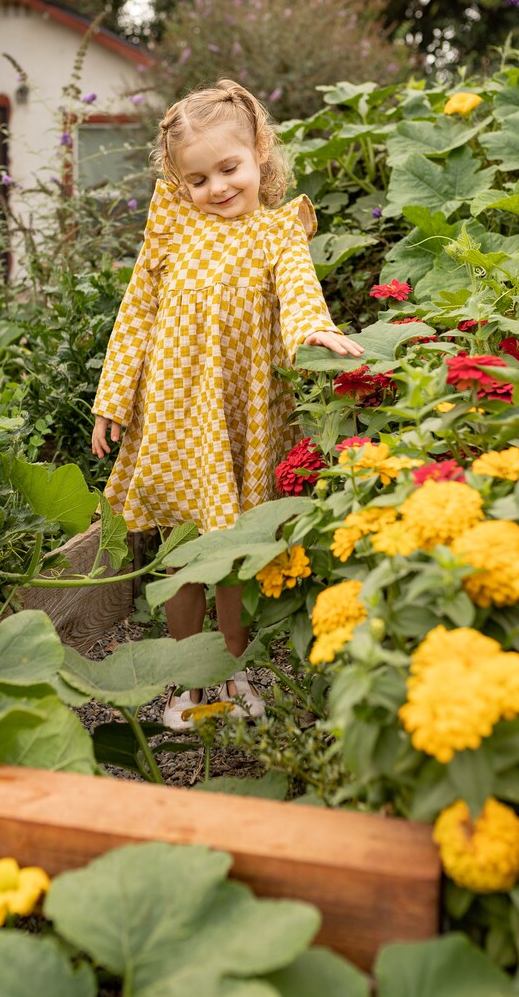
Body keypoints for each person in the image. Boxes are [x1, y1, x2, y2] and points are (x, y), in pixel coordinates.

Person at [91, 79, 363, 729]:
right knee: (184, 550)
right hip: (175, 418)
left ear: (260, 154)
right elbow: (137, 311)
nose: (217, 187)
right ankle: (188, 679)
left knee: (231, 550)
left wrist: (312, 331)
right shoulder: (173, 227)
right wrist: (114, 399)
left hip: (239, 416)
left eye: (229, 168)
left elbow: (298, 290)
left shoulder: (277, 232)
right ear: (177, 181)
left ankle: (232, 668)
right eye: (199, 177)